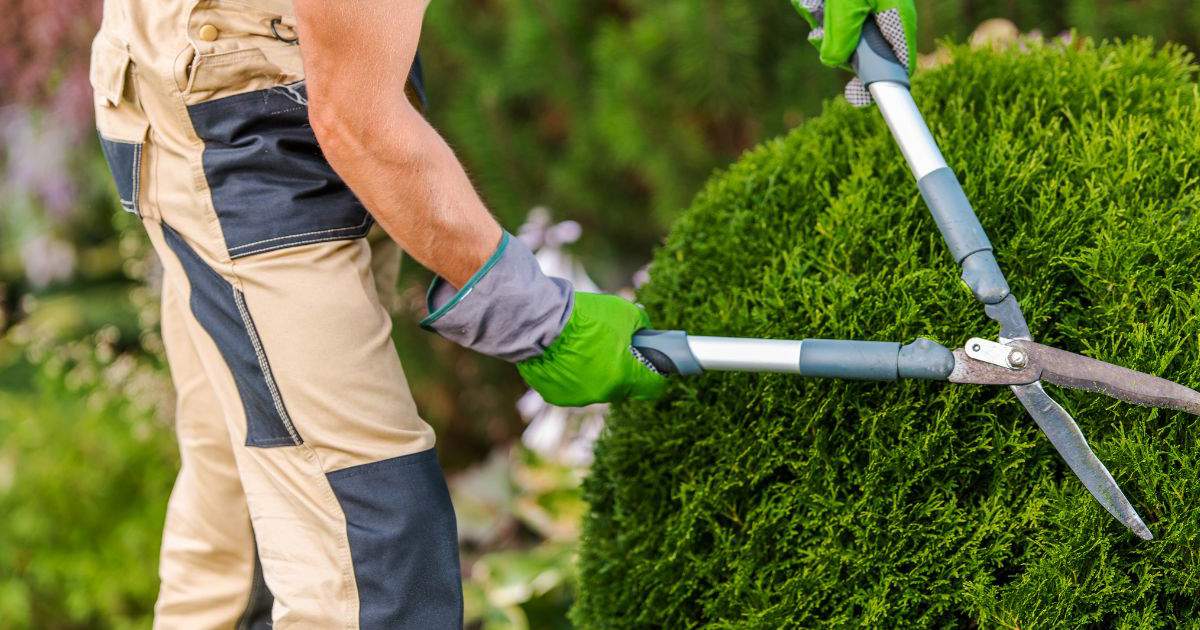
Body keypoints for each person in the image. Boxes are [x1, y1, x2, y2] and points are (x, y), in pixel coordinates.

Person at [89, 0, 915, 627]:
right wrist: (538, 321)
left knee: (248, 489)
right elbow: (356, 121)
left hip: (295, 58)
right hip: (235, 114)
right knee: (372, 550)